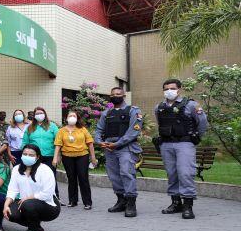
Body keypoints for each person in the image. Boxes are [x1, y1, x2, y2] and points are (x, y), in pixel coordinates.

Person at [155, 78, 209, 219]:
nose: (169, 91)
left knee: (185, 173)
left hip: (184, 143)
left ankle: (188, 206)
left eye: (172, 88)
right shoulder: (159, 107)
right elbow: (159, 123)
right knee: (172, 174)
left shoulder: (191, 105)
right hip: (166, 144)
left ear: (179, 89)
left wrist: (195, 137)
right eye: (166, 89)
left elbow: (202, 123)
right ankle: (176, 203)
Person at [94, 87, 143, 218]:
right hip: (109, 148)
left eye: (118, 94)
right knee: (113, 175)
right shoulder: (106, 113)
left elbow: (134, 131)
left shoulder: (133, 111)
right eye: (113, 94)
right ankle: (121, 201)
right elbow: (99, 130)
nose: (115, 96)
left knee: (127, 173)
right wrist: (100, 141)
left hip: (126, 147)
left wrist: (118, 143)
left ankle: (131, 204)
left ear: (124, 96)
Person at [2, 144, 60, 231]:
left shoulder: (45, 170)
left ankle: (37, 230)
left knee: (28, 204)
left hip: (49, 205)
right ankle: (33, 223)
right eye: (25, 154)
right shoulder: (17, 169)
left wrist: (28, 198)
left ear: (37, 157)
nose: (27, 157)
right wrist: (6, 205)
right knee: (10, 212)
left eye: (31, 155)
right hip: (26, 203)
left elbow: (47, 194)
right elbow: (12, 190)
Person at [53, 110, 97, 209]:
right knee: (71, 178)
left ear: (77, 118)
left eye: (74, 116)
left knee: (83, 178)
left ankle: (87, 202)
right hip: (67, 157)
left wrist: (93, 157)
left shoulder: (83, 129)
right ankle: (73, 200)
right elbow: (58, 145)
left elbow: (90, 143)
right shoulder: (61, 131)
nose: (72, 117)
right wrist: (55, 158)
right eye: (70, 116)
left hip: (82, 156)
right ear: (66, 118)